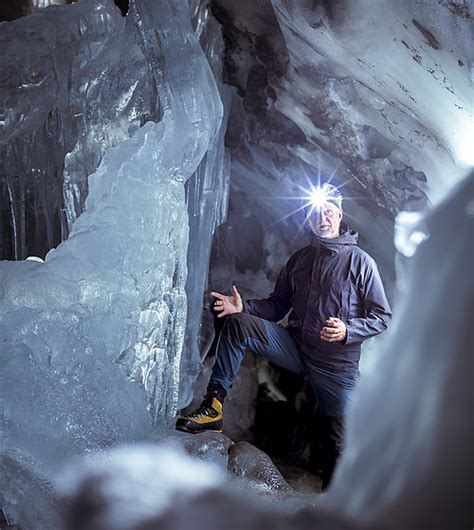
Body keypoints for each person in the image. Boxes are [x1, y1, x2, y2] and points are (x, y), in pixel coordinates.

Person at [176, 183, 392, 488]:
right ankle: (213, 406)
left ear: (339, 215)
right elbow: (277, 305)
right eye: (316, 211)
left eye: (328, 210)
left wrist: (348, 330)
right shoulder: (300, 260)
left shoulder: (360, 262)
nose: (322, 216)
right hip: (295, 347)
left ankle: (333, 507)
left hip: (335, 367)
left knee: (337, 441)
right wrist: (244, 306)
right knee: (239, 324)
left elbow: (382, 316)